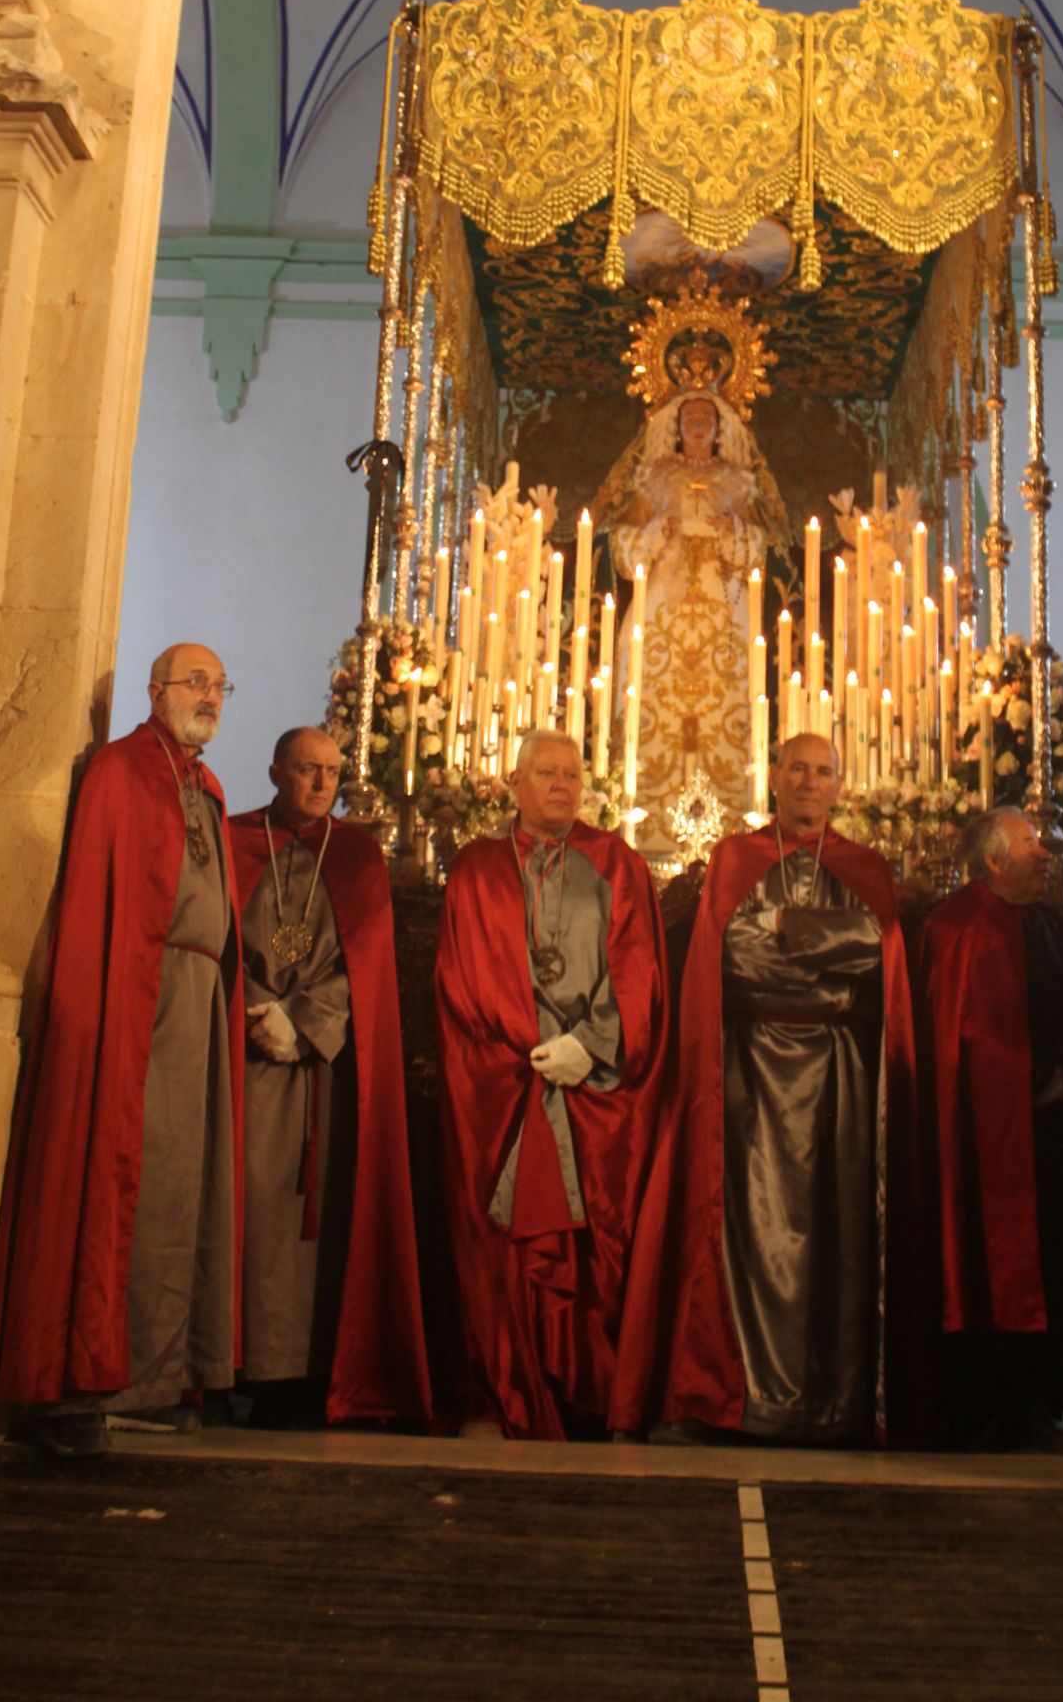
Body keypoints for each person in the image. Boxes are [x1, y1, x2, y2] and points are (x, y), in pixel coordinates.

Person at [613, 732, 921, 1446]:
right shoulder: (735, 860)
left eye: (825, 772)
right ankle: (741, 1398)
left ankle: (832, 1404)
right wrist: (827, 954)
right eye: (799, 770)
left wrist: (786, 927)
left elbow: (878, 954)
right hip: (752, 1079)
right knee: (749, 1236)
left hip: (840, 1081)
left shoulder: (863, 866)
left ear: (841, 787)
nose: (811, 783)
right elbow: (736, 957)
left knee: (835, 1237)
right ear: (774, 778)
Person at [0, 644, 244, 1455]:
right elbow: (107, 903)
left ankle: (158, 1376)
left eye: (220, 685)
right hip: (136, 997)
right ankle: (79, 1383)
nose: (209, 695)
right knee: (116, 1175)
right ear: (155, 689)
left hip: (195, 1003)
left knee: (177, 1188)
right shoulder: (123, 773)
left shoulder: (206, 786)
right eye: (194, 681)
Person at [435, 728, 668, 1438]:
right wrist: (535, 1048)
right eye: (547, 773)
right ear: (514, 783)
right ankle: (510, 1392)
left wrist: (588, 1047)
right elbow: (463, 975)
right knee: (502, 1249)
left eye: (573, 773)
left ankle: (592, 1399)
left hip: (595, 1086)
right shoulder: (476, 867)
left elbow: (638, 969)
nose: (563, 785)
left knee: (594, 1247)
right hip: (505, 1081)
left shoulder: (617, 863)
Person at [228, 726, 430, 1428]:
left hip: (324, 1073)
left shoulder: (356, 855)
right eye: (307, 770)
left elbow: (366, 964)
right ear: (277, 770)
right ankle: (230, 1364)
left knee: (316, 1222)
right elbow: (211, 938)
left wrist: (306, 1021)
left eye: (332, 771)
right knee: (243, 1206)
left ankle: (304, 1374)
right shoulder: (235, 842)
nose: (320, 784)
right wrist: (254, 1011)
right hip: (244, 1065)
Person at [919, 807, 1063, 1447]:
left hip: (1043, 1129)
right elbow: (956, 1032)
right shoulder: (955, 927)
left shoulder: (1047, 927)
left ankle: (1039, 1398)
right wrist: (1024, 1078)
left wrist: (1057, 1068)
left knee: (1044, 1256)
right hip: (978, 1135)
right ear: (994, 860)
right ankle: (982, 1406)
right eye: (1030, 844)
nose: (1045, 854)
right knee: (977, 1255)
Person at [598, 384, 788, 841]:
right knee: (651, 706)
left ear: (721, 428)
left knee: (728, 710)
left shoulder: (737, 481)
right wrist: (656, 532)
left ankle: (732, 832)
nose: (699, 425)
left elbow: (763, 547)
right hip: (661, 613)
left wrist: (734, 532)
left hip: (724, 616)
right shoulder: (654, 479)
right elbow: (621, 544)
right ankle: (643, 832)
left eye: (708, 418)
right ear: (677, 428)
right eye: (691, 419)